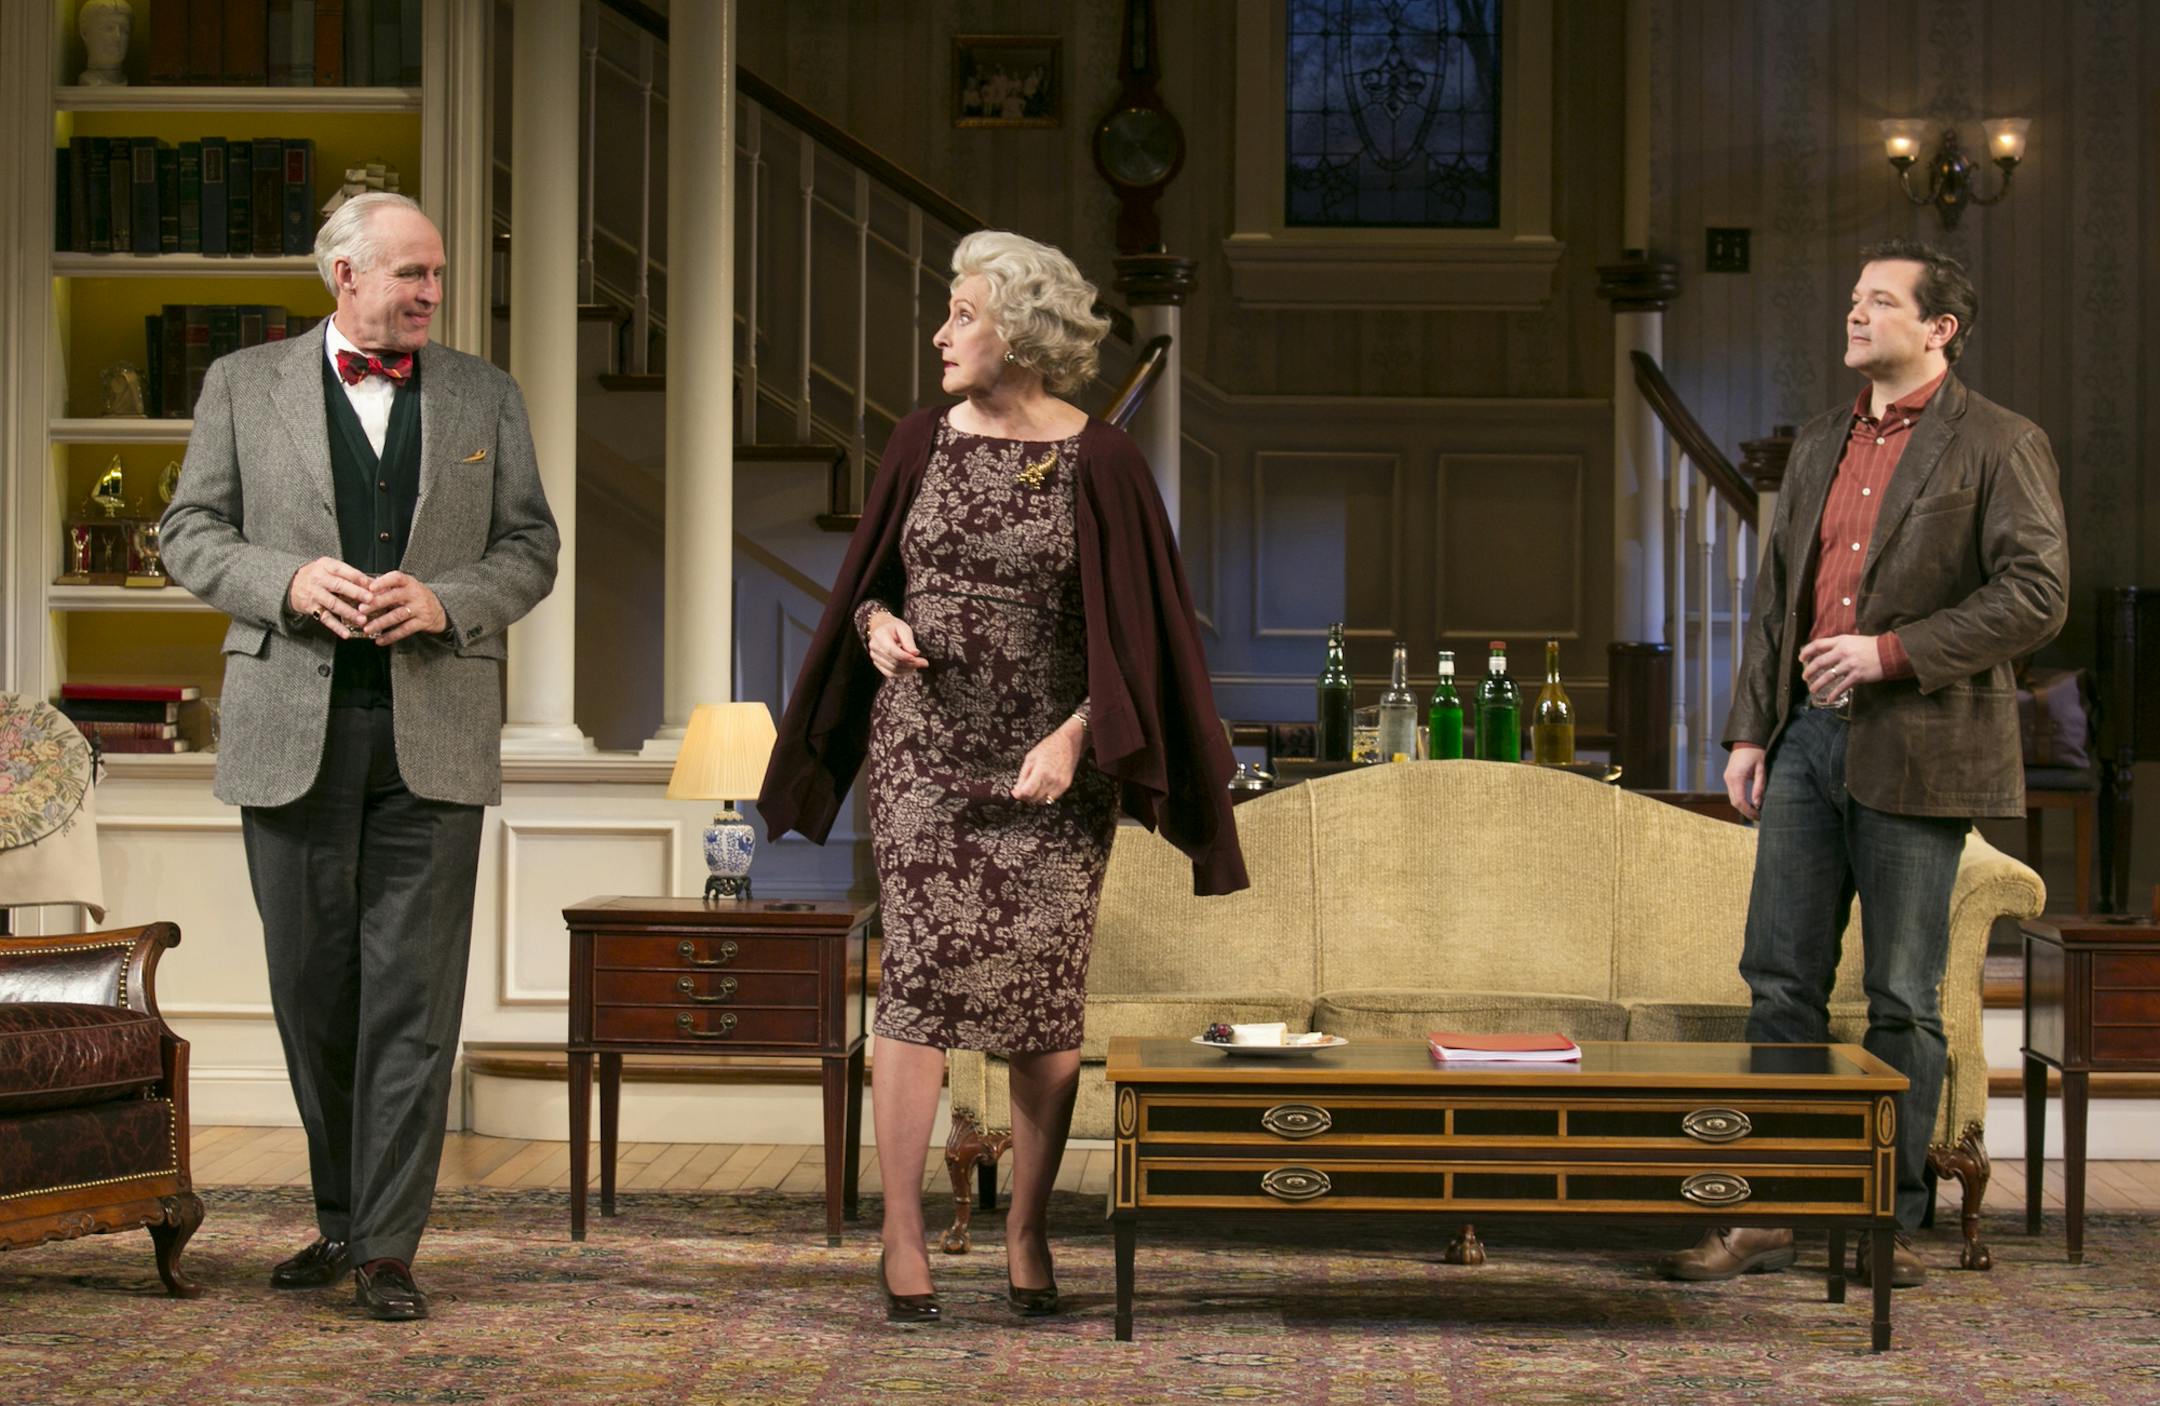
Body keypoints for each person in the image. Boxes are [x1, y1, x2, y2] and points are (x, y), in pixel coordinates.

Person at [759, 229, 1246, 1324]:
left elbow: (1145, 638)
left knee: (1039, 1005)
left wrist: (1080, 733)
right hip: (923, 756)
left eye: (964, 314)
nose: (940, 332)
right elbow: (872, 582)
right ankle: (901, 1232)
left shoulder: (1104, 459)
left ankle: (1027, 1227)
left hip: (1051, 769)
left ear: (1020, 332)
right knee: (918, 989)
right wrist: (880, 626)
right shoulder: (918, 439)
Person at [160, 192, 559, 1321]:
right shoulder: (243, 384)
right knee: (312, 990)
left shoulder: (486, 393)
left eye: (437, 274)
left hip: (433, 736)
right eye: (412, 273)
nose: (432, 292)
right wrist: (284, 583)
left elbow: (532, 546)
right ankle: (338, 1217)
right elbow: (188, 530)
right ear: (344, 275)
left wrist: (448, 598)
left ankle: (389, 1244)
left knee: (413, 999)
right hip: (289, 731)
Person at [1661, 239, 2067, 1288]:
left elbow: (2036, 594)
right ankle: (1773, 1209)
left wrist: (1890, 653)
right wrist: (1752, 730)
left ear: (1941, 328)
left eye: (1879, 302)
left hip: (1924, 748)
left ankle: (1883, 1217)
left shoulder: (2001, 442)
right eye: (1852, 299)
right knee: (1778, 981)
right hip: (1805, 745)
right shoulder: (1816, 442)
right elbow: (1774, 599)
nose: (1854, 314)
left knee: (1901, 994)